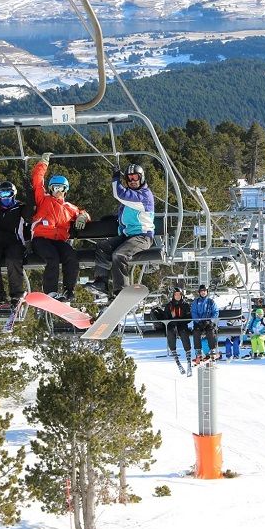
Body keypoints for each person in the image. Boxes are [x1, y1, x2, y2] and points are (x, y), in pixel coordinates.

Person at [85, 163, 155, 299]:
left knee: (119, 255)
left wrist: (116, 177)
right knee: (103, 246)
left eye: (136, 177)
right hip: (128, 236)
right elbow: (130, 214)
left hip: (142, 236)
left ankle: (121, 290)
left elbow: (119, 194)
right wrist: (115, 218)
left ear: (142, 178)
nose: (133, 181)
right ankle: (101, 282)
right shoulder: (132, 198)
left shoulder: (144, 196)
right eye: (129, 179)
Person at [31, 153, 89, 301]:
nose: (58, 191)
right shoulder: (43, 200)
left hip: (59, 241)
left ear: (65, 189)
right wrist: (43, 163)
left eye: (61, 188)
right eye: (55, 188)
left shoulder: (70, 208)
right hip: (41, 240)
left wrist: (83, 216)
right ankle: (51, 291)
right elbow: (37, 181)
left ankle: (68, 290)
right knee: (53, 258)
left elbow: (83, 213)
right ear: (50, 188)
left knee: (71, 256)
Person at [0, 180, 34, 307]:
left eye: (8, 194)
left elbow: (30, 214)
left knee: (13, 259)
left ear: (13, 194)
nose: (5, 198)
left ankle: (16, 294)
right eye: (2, 194)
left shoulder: (20, 208)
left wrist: (30, 192)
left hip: (15, 242)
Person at [163, 287, 192, 376]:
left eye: (179, 294)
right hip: (172, 325)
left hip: (182, 324)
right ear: (173, 295)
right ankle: (174, 354)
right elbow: (165, 317)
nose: (178, 296)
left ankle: (188, 356)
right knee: (170, 332)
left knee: (183, 332)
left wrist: (182, 320)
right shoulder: (169, 306)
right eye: (176, 294)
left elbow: (189, 317)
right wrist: (172, 322)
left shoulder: (185, 305)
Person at [190, 284, 219, 363]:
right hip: (199, 323)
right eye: (201, 291)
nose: (203, 293)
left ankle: (212, 349)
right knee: (196, 332)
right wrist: (198, 321)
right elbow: (194, 313)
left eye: (204, 291)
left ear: (207, 292)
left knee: (210, 331)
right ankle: (198, 351)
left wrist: (210, 320)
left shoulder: (210, 302)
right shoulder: (196, 302)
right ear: (199, 292)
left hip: (208, 322)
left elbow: (215, 312)